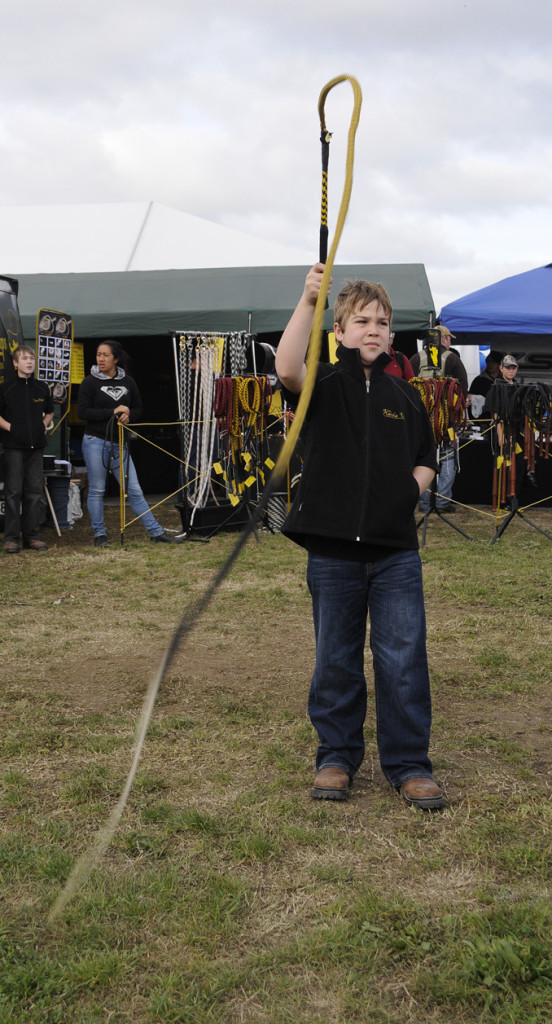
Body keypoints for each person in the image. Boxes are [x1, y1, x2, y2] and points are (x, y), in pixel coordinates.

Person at [275, 264, 445, 811]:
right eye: (362, 320)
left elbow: (428, 460)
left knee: (401, 659)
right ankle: (336, 756)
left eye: (383, 322)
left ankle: (409, 763)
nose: (374, 329)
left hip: (395, 553)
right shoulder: (322, 383)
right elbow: (286, 368)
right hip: (331, 551)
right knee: (336, 660)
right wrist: (308, 301)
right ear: (341, 330)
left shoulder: (406, 395)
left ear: (391, 334)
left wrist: (408, 492)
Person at [77, 340, 180, 546]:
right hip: (95, 441)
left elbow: (139, 408)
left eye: (106, 355)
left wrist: (129, 415)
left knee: (134, 489)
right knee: (97, 489)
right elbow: (83, 412)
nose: (101, 358)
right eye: (98, 354)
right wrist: (112, 412)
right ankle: (100, 534)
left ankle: (155, 532)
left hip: (119, 441)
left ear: (115, 358)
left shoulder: (128, 382)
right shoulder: (89, 382)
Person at [0, 345, 54, 553]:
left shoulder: (41, 388)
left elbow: (49, 412)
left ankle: (31, 536)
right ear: (15, 363)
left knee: (34, 492)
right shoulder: (6, 388)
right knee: (13, 492)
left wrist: (42, 425)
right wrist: (11, 428)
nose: (29, 362)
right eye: (24, 358)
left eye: (31, 358)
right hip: (14, 447)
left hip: (36, 448)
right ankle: (11, 538)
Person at [412, 326, 469, 513]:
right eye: (448, 338)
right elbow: (462, 388)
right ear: (442, 339)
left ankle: (425, 502)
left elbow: (408, 385)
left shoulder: (417, 358)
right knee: (448, 458)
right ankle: (443, 501)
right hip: (447, 422)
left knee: (423, 458)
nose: (450, 342)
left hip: (422, 421)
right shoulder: (452, 359)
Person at [467, 351, 501, 419]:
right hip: (482, 420)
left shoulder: (504, 381)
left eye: (493, 362)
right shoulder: (478, 380)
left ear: (499, 365)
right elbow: (469, 400)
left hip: (500, 418)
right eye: (488, 361)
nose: (490, 364)